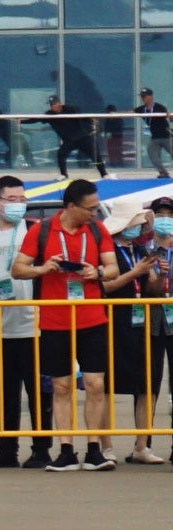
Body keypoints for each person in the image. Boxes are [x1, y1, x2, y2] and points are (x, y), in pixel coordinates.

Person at [18, 174, 117, 470]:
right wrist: (43, 268)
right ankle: (65, 449)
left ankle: (94, 448)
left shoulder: (97, 230)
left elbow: (112, 267)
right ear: (71, 206)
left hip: (92, 317)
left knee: (95, 384)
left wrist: (97, 273)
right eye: (89, 208)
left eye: (96, 208)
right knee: (61, 386)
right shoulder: (41, 231)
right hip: (55, 319)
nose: (94, 213)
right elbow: (18, 269)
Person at [0, 173, 44, 466]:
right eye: (11, 199)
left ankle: (41, 450)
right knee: (4, 393)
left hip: (34, 327)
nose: (18, 205)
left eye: (22, 199)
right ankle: (7, 450)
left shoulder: (35, 232)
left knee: (40, 393)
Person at [106, 199, 169, 465]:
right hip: (113, 320)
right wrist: (136, 271)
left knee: (148, 384)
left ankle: (142, 445)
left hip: (142, 323)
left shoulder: (143, 249)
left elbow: (150, 291)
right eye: (138, 221)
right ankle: (104, 445)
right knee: (106, 385)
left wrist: (156, 276)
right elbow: (106, 285)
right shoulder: (107, 249)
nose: (142, 225)